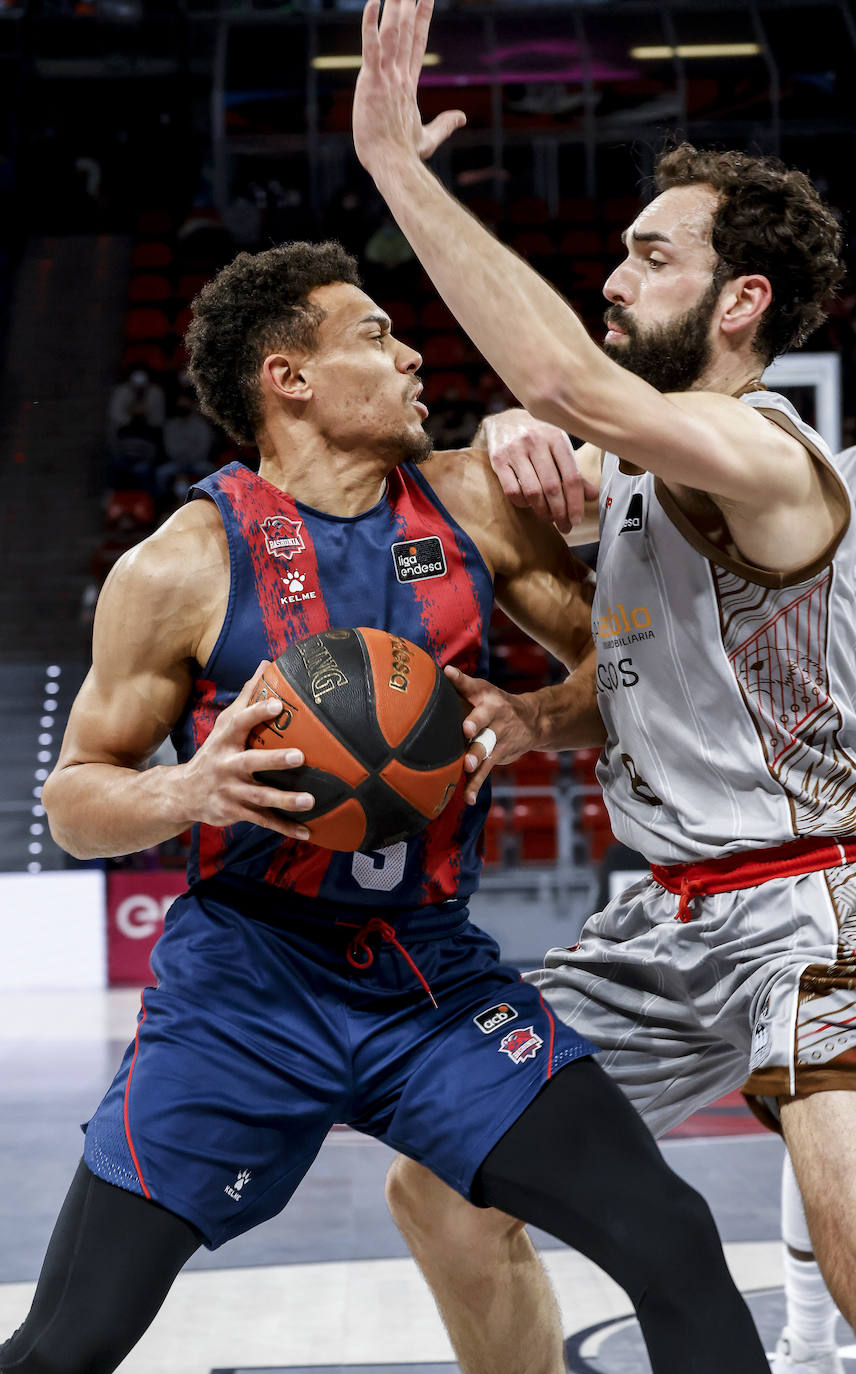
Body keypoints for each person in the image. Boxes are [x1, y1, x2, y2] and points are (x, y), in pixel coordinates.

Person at [0, 241, 768, 1374]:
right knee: (71, 1342)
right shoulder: (180, 565)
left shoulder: (469, 501)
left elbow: (633, 683)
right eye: (374, 336)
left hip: (428, 979)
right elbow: (73, 802)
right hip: (247, 987)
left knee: (669, 1234)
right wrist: (190, 787)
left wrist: (533, 718)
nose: (413, 354)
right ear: (288, 377)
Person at [350, 1, 856, 1369]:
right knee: (446, 1182)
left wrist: (399, 170)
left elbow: (560, 375)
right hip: (668, 914)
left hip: (821, 890)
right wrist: (530, 713)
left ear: (742, 299)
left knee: (844, 1169)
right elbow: (631, 673)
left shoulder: (768, 453)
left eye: (650, 254)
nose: (616, 278)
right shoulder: (633, 479)